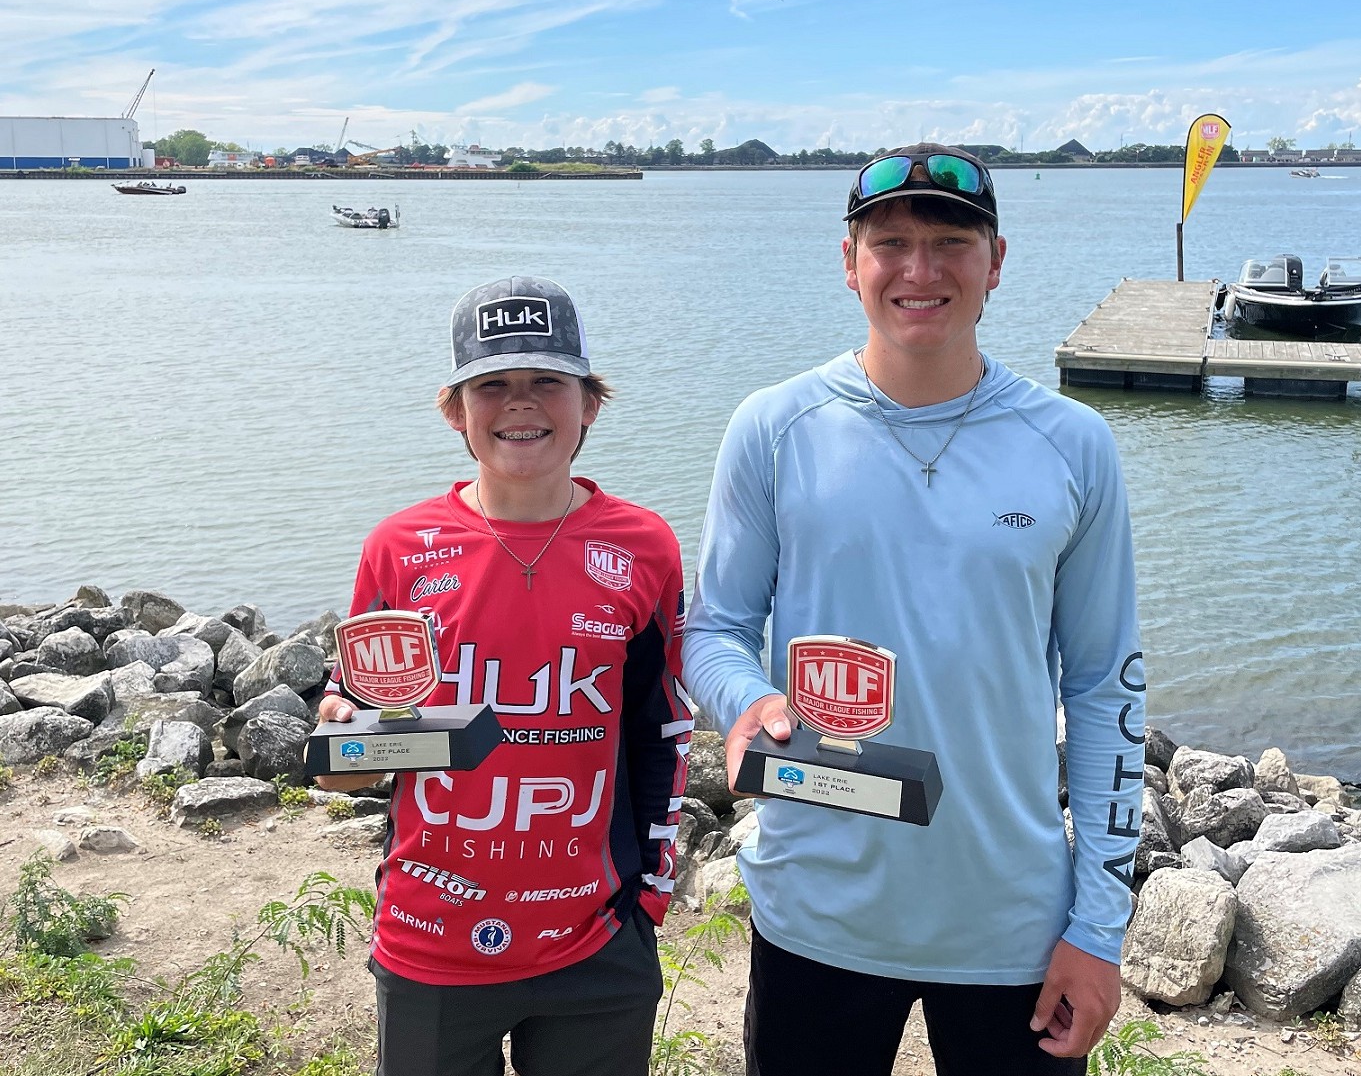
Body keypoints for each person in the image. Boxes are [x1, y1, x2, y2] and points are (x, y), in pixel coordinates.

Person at [681, 145, 1145, 1076]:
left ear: (995, 261)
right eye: (889, 242)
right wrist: (747, 701)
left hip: (1010, 921)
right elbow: (714, 627)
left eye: (950, 242)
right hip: (816, 912)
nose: (919, 269)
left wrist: (1098, 927)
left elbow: (1104, 687)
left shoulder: (1071, 443)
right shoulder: (773, 427)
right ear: (848, 262)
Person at [314, 275, 691, 1076]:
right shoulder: (398, 548)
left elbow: (661, 729)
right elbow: (349, 752)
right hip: (431, 938)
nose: (520, 402)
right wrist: (342, 737)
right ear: (454, 409)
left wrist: (647, 897)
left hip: (596, 937)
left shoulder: (645, 545)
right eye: (492, 384)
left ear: (590, 402)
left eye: (547, 380)